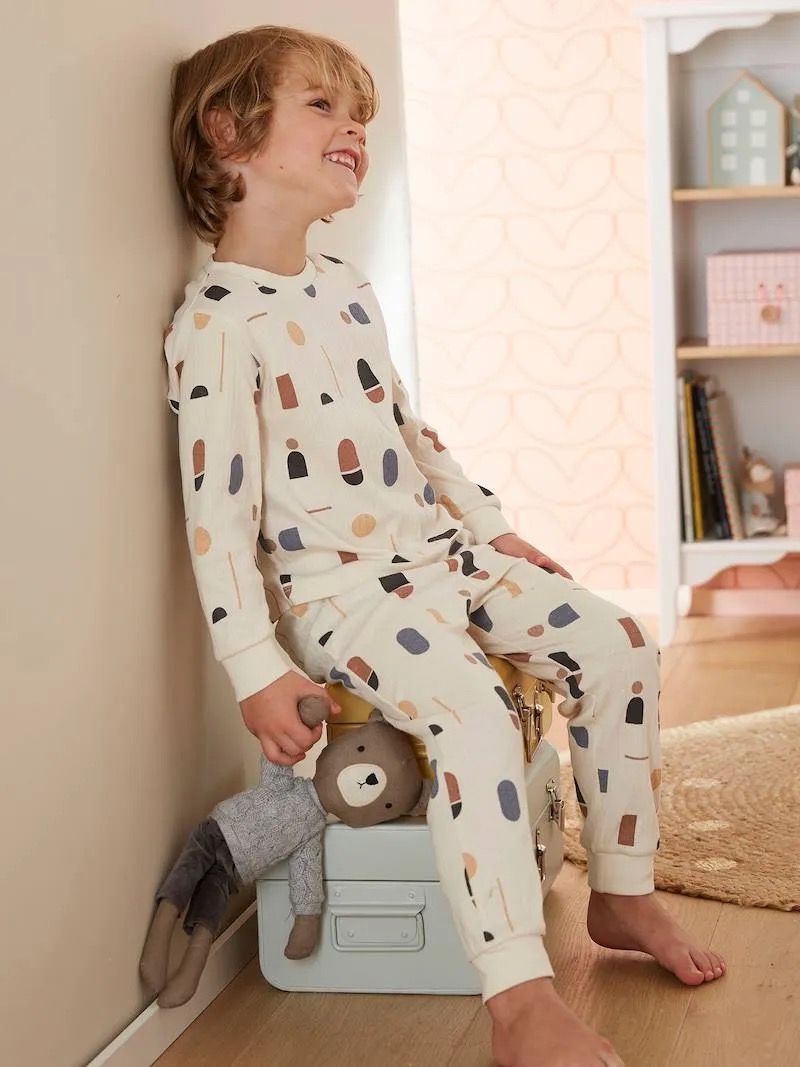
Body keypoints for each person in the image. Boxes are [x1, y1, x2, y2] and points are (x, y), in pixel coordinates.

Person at [163, 24, 725, 1067]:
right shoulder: (217, 325)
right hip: (345, 600)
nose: (354, 127)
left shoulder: (345, 287)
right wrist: (255, 663)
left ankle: (620, 889)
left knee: (617, 642)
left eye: (360, 113)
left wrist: (489, 524)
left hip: (442, 556)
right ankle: (518, 999)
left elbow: (408, 430)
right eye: (323, 105)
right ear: (229, 132)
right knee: (472, 714)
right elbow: (216, 513)